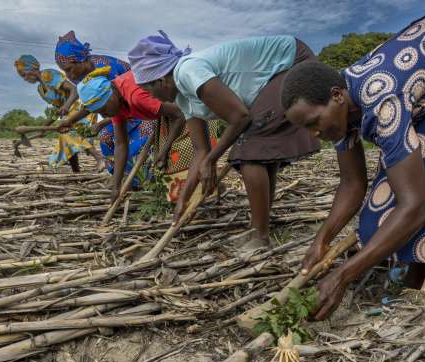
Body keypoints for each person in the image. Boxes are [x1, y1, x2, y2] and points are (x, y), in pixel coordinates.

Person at [281, 3, 425, 319]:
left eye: (314, 122)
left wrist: (342, 276)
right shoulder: (340, 114)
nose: (315, 133)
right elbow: (352, 184)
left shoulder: (383, 100)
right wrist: (322, 239)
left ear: (337, 96)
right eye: (307, 128)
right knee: (391, 192)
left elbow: (414, 207)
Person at [128, 31, 320, 250]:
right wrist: (185, 198)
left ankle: (260, 236)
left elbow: (239, 117)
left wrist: (211, 160)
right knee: (258, 149)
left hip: (291, 62)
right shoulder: (183, 98)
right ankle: (260, 226)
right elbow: (200, 150)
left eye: (149, 91)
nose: (152, 98)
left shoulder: (188, 71)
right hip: (275, 75)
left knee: (249, 152)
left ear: (161, 80)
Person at [77, 68, 218, 202]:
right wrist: (116, 186)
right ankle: (197, 199)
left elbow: (180, 114)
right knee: (172, 176)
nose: (104, 115)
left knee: (187, 159)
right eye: (100, 113)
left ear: (110, 95)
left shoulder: (136, 96)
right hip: (170, 116)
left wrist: (164, 150)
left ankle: (203, 200)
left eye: (104, 109)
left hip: (194, 109)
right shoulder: (116, 102)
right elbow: (121, 144)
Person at [54, 30, 141, 177]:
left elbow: (118, 104)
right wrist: (70, 121)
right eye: (64, 72)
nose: (69, 76)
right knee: (105, 138)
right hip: (118, 113)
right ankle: (120, 177)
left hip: (139, 108)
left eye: (69, 69)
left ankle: (139, 178)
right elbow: (93, 104)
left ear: (80, 60)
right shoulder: (79, 77)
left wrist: (101, 123)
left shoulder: (107, 69)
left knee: (133, 145)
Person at [14, 54, 102, 172]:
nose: (25, 78)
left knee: (68, 133)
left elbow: (74, 90)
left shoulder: (48, 75)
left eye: (24, 74)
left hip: (81, 106)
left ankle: (100, 159)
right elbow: (58, 110)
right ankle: (76, 172)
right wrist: (44, 128)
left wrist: (66, 106)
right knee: (66, 138)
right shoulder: (41, 90)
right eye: (23, 77)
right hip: (68, 112)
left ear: (32, 69)